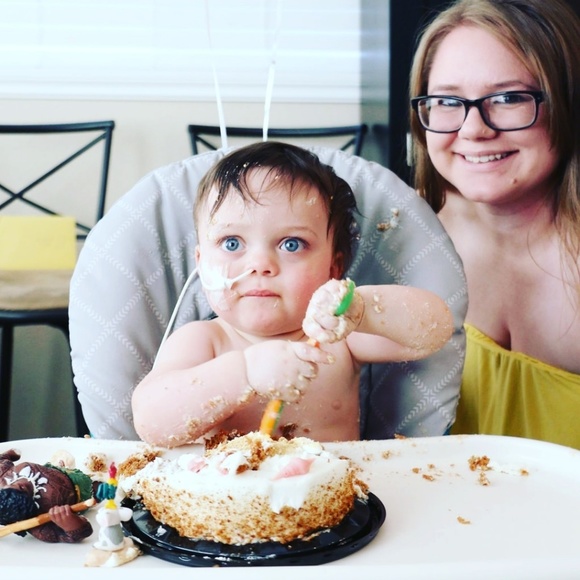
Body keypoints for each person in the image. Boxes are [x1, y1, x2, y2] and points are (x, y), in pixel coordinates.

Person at [132, 141, 454, 447]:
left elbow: (435, 331)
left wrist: (363, 309)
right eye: (232, 243)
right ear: (201, 264)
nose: (260, 265)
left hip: (333, 486)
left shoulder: (337, 337)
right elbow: (151, 422)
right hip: (225, 486)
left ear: (333, 267)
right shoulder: (205, 340)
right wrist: (244, 373)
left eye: (291, 244)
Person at [409, 0, 580, 448]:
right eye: (448, 101)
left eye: (508, 98)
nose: (473, 130)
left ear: (568, 102)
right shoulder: (402, 239)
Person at [0, 449, 94, 543]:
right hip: (80, 489)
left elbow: (3, 461)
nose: (19, 485)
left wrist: (8, 456)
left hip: (54, 467)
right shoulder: (38, 525)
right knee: (97, 488)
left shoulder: (5, 477)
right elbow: (71, 535)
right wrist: (72, 524)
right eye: (23, 491)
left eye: (11, 488)